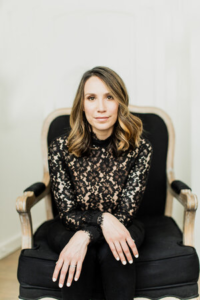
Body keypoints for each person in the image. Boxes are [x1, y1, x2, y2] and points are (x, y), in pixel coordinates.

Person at [47, 66, 153, 300]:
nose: (101, 107)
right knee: (81, 254)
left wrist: (86, 235)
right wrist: (100, 221)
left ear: (120, 103)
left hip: (126, 223)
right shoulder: (59, 148)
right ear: (82, 104)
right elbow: (67, 213)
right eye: (92, 98)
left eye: (110, 97)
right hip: (69, 225)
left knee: (115, 250)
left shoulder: (140, 148)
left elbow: (126, 213)